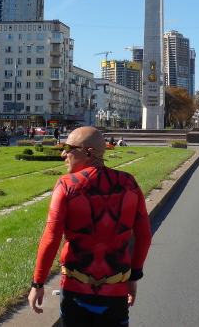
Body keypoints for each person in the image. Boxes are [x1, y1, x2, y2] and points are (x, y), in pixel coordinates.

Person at [28, 126, 151, 325]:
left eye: (68, 148)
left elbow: (51, 238)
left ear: (89, 152)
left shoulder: (66, 185)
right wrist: (134, 277)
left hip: (76, 290)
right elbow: (144, 236)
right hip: (115, 289)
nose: (63, 154)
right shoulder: (129, 183)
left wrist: (38, 283)